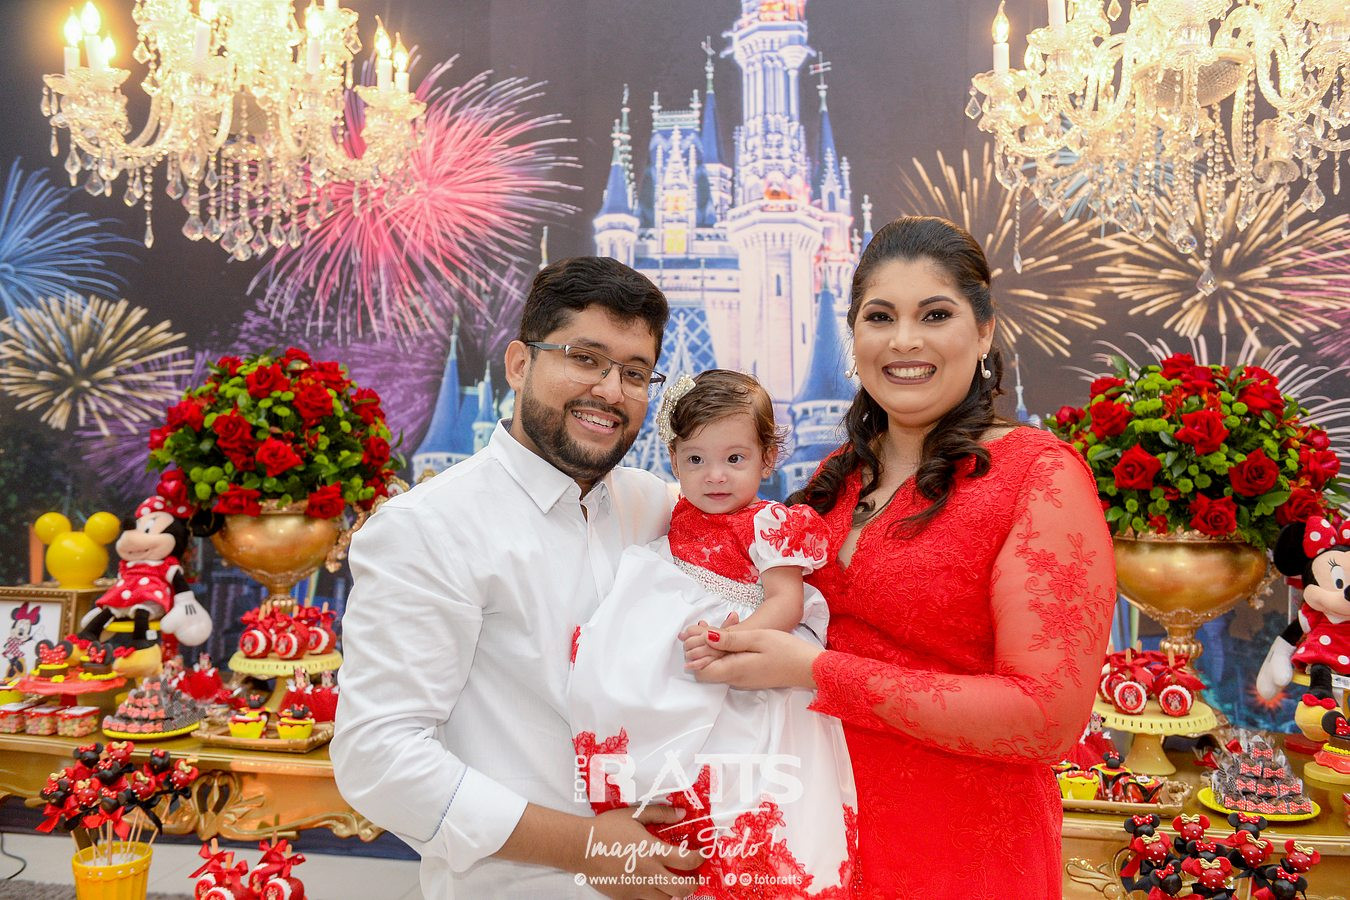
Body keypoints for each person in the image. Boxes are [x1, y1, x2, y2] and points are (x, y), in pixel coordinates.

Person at [681, 216, 1117, 898]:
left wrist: (815, 671)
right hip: (804, 850)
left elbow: (1046, 718)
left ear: (984, 332)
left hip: (959, 862)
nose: (904, 340)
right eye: (880, 317)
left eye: (935, 314)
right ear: (854, 336)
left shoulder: (1038, 475)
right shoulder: (833, 480)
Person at [333, 256, 701, 899]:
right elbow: (379, 757)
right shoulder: (428, 526)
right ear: (519, 364)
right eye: (585, 358)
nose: (611, 390)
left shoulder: (656, 507)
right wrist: (590, 849)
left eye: (635, 372)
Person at [567, 370, 856, 896]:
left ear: (768, 458)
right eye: (696, 460)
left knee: (742, 764)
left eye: (735, 459)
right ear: (674, 461)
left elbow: (786, 602)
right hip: (680, 646)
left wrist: (734, 640)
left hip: (743, 647)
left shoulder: (770, 523)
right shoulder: (669, 510)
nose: (715, 477)